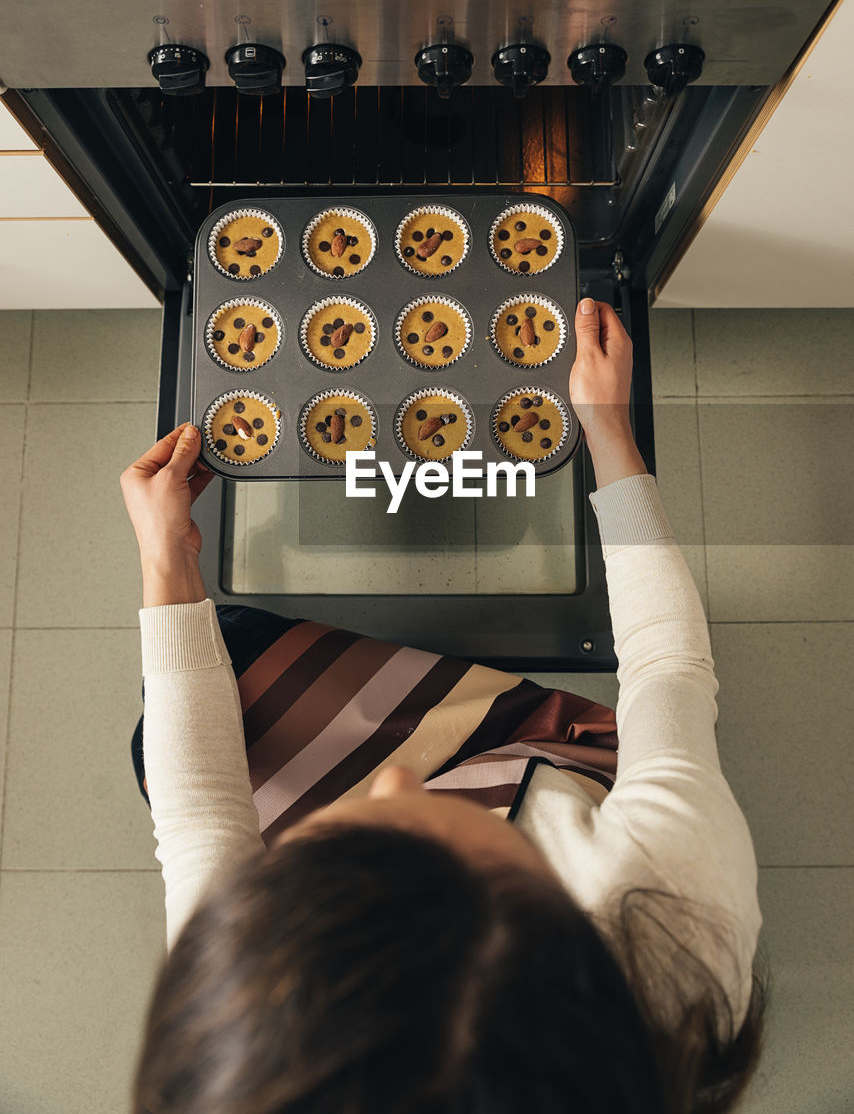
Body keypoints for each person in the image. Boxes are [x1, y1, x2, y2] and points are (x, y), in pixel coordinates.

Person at [121, 298, 767, 1114]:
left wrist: (168, 558)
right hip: (552, 759)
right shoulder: (673, 912)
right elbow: (667, 664)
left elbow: (201, 819)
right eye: (422, 841)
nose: (392, 784)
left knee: (178, 716)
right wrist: (608, 429)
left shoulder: (247, 1011)